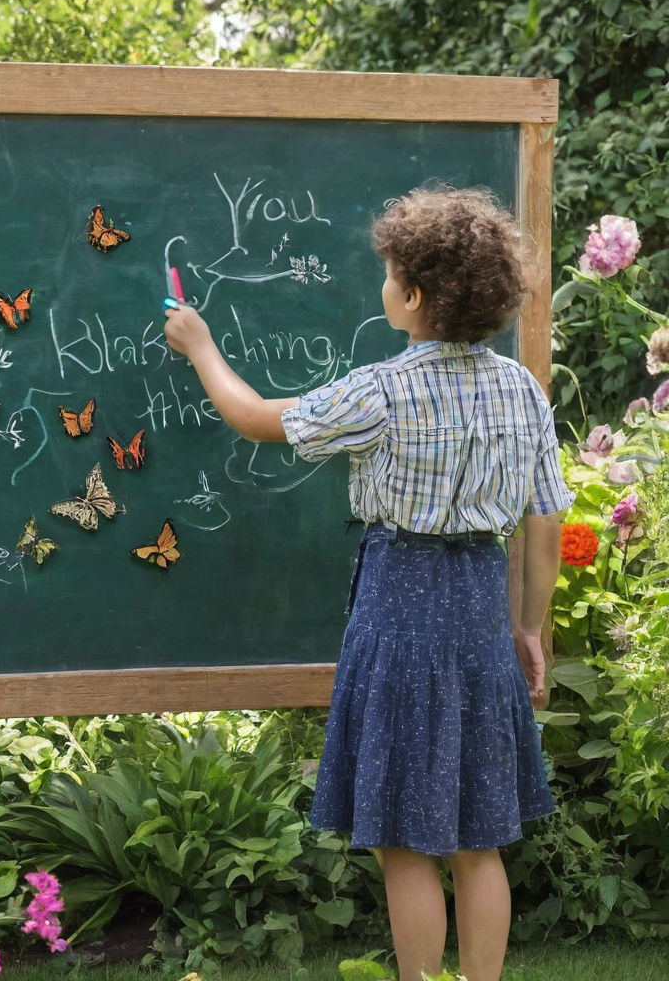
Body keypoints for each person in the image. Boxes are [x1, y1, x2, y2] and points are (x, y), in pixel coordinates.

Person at [162, 186, 573, 981]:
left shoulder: (381, 390)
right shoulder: (524, 390)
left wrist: (202, 347)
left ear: (415, 295)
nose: (381, 286)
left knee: (401, 835)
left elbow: (255, 418)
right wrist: (529, 629)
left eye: (388, 274)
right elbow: (545, 523)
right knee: (476, 834)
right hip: (482, 604)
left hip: (401, 600)